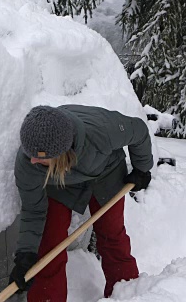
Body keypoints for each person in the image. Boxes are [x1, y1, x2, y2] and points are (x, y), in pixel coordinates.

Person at [10, 105, 153, 301]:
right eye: (30, 154)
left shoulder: (103, 131)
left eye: (39, 157)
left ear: (61, 151)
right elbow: (33, 211)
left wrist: (142, 169)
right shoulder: (29, 163)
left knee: (112, 235)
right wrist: (25, 255)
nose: (32, 160)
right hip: (60, 180)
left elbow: (139, 131)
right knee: (50, 247)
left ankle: (127, 295)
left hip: (106, 172)